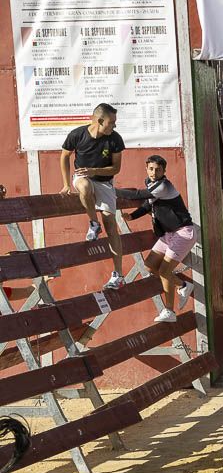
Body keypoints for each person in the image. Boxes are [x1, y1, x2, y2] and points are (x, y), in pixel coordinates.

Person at [115, 155, 197, 323]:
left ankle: (169, 312)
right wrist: (132, 216)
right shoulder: (152, 184)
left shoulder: (164, 185)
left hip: (183, 232)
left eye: (158, 169)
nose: (154, 172)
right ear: (146, 168)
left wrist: (111, 190)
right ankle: (182, 285)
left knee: (165, 271)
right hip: (168, 234)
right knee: (150, 266)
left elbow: (139, 195)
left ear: (164, 171)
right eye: (151, 169)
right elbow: (147, 205)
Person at [59, 102, 126, 289]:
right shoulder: (77, 134)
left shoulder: (115, 139)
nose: (114, 126)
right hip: (82, 177)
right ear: (99, 120)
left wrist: (94, 170)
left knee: (111, 224)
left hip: (105, 181)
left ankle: (118, 274)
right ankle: (93, 223)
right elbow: (64, 156)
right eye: (111, 122)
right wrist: (66, 184)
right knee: (85, 186)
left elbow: (116, 168)